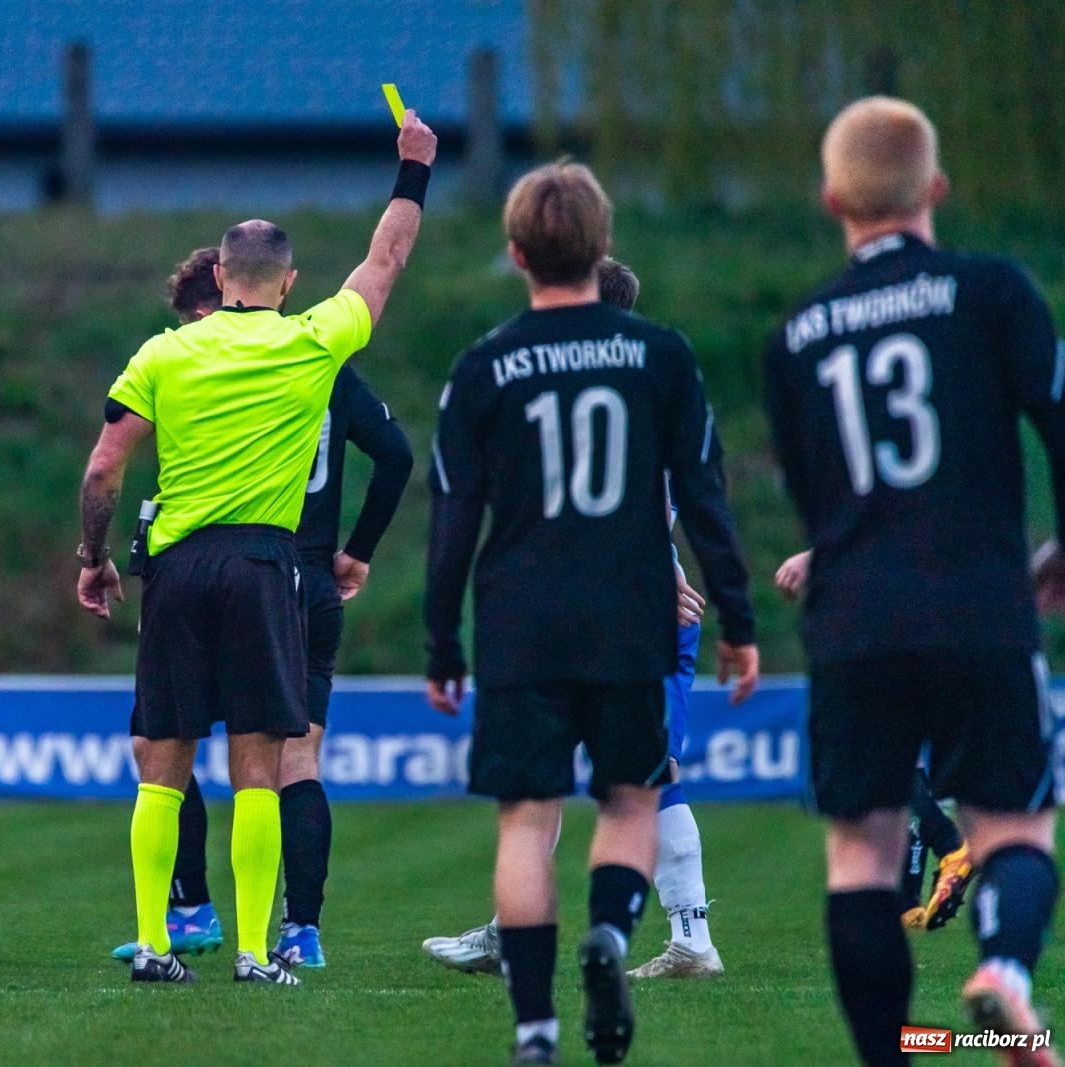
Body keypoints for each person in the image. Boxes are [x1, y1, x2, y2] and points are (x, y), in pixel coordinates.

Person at [77, 110, 436, 986]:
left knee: (161, 765)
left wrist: (95, 557)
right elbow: (384, 261)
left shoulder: (164, 352)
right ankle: (250, 950)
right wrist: (413, 169)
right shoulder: (311, 342)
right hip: (265, 566)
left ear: (220, 275)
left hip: (178, 567)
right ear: (287, 282)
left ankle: (157, 944)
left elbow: (104, 468)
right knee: (260, 766)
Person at [425, 164, 759, 1064]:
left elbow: (453, 509)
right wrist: (738, 612)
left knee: (527, 818)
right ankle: (613, 934)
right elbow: (703, 488)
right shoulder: (661, 359)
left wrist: (438, 637)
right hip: (631, 613)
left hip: (525, 616)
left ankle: (536, 1027)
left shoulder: (486, 365)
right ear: (602, 245)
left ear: (516, 251)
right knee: (633, 794)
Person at [765, 97, 1063, 1067]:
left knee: (859, 853)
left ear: (829, 198)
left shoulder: (797, 334)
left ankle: (888, 1059)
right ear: (933, 187)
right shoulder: (990, 292)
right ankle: (1004, 970)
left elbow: (820, 499)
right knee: (1013, 823)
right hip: (980, 601)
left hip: (855, 618)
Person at [775, 549, 973, 932]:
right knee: (905, 762)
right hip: (933, 621)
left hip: (891, 625)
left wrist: (816, 557)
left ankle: (950, 845)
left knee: (882, 762)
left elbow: (885, 519)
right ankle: (906, 899)